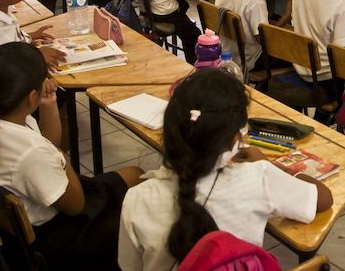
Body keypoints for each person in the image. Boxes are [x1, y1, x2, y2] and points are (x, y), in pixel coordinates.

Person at [118, 69, 331, 270]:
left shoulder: (136, 198)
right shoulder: (259, 177)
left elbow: (130, 266)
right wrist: (269, 164)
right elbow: (323, 199)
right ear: (234, 140)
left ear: (169, 132)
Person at [0, 43, 143, 269]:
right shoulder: (31, 151)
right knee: (141, 205)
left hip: (32, 223)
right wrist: (59, 155)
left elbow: (47, 147)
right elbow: (76, 205)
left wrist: (48, 104)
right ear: (31, 96)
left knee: (136, 174)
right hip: (57, 240)